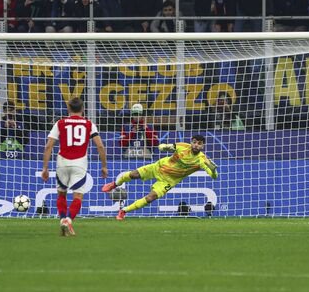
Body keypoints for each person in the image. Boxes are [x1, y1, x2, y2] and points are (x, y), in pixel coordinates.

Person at [102, 135, 218, 221]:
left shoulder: (203, 160)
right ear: (191, 142)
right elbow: (165, 146)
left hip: (169, 180)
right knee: (133, 174)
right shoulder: (182, 146)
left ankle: (123, 211)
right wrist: (164, 147)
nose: (196, 145)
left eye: (199, 143)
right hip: (159, 167)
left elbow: (214, 177)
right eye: (194, 142)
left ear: (203, 146)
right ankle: (115, 184)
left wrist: (213, 170)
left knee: (150, 197)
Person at [41, 97, 108, 236]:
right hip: (79, 164)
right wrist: (104, 166)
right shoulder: (89, 124)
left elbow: (48, 146)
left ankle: (62, 220)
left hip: (62, 163)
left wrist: (45, 168)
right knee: (77, 197)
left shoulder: (60, 123)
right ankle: (69, 220)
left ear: (68, 109)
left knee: (61, 194)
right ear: (83, 109)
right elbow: (100, 146)